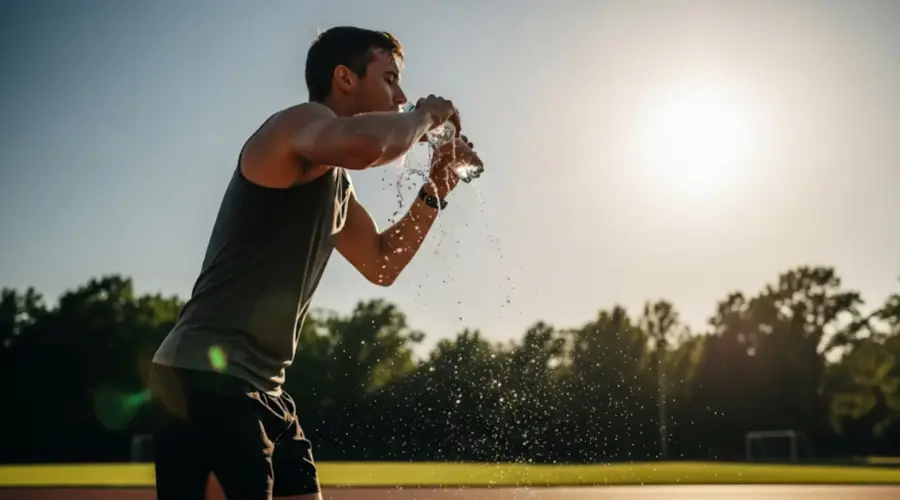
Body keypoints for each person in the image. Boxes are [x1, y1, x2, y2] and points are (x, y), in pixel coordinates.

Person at [147, 26, 483, 500]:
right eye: (389, 78)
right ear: (344, 77)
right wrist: (427, 114)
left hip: (266, 388)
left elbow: (382, 264)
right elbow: (370, 148)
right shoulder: (297, 124)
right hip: (205, 380)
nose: (401, 95)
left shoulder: (336, 181)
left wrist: (437, 189)